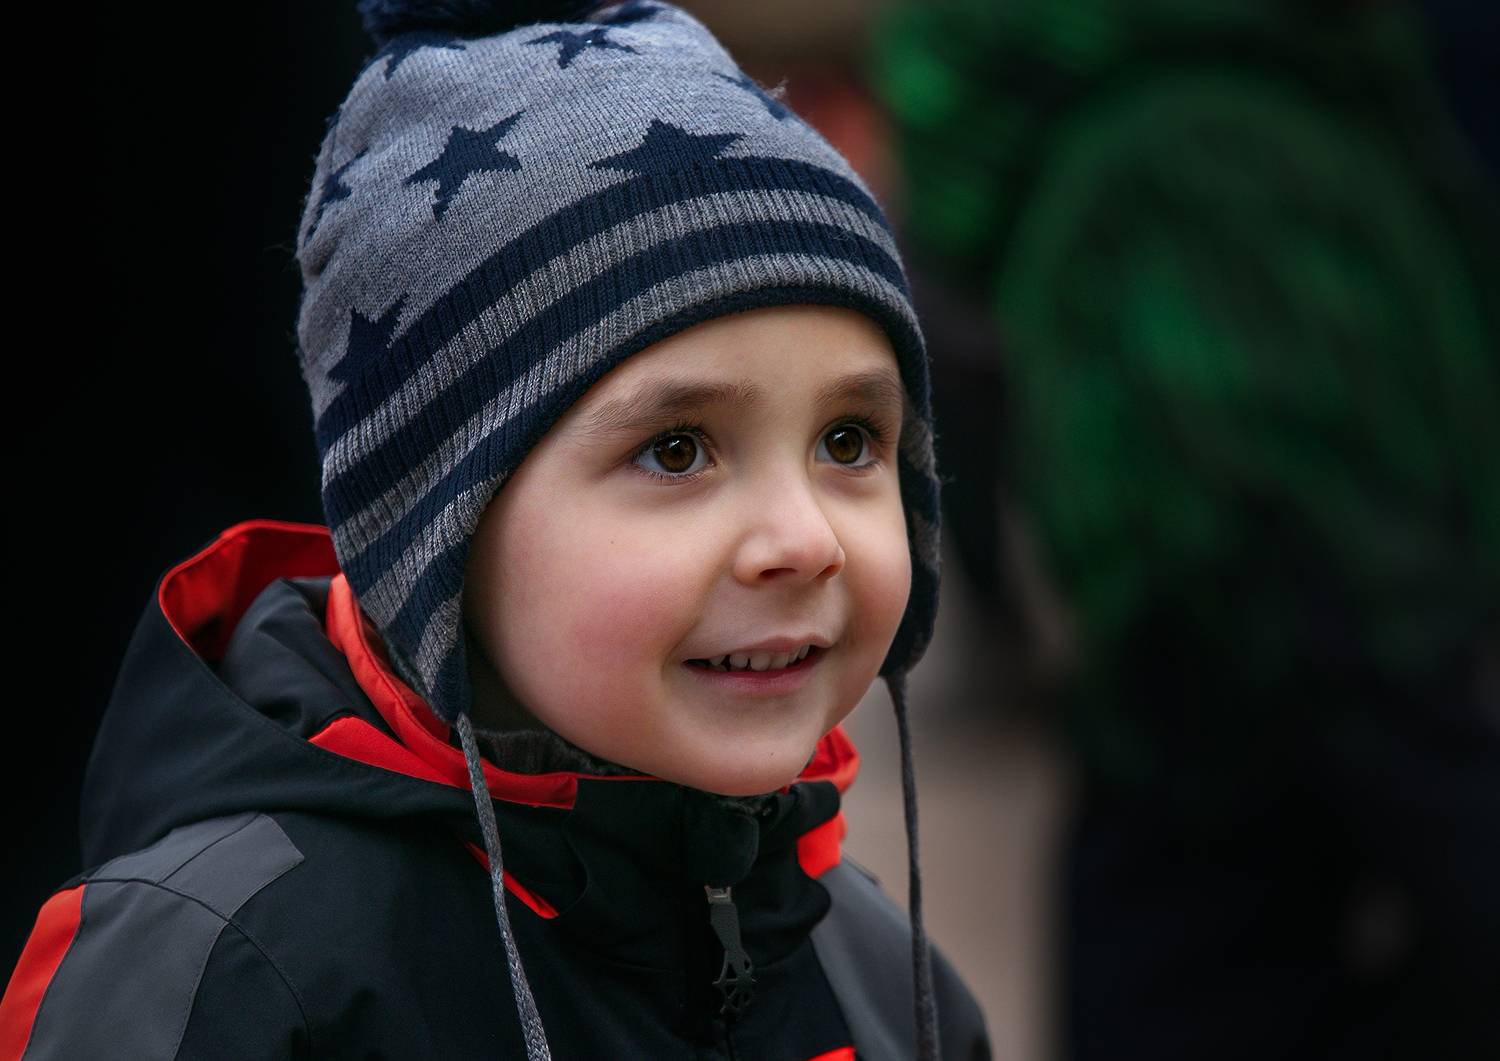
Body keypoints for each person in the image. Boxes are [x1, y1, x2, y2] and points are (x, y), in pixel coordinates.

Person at [1, 1, 990, 1058]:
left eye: (848, 439)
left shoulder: (875, 970)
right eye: (676, 450)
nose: (805, 539)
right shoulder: (238, 981)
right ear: (435, 526)